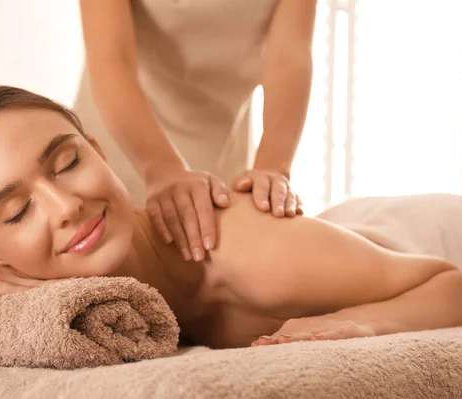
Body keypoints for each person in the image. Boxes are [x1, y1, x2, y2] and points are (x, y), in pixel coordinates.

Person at [0, 86, 462, 349]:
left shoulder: (248, 248)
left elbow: (449, 286)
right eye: (17, 212)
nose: (64, 207)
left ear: (98, 150)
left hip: (427, 230)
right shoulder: (18, 284)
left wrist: (360, 325)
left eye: (67, 163)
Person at [74, 0, 316, 263]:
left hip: (220, 154)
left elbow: (288, 58)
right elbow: (112, 59)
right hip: (121, 140)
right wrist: (163, 169)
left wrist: (273, 168)